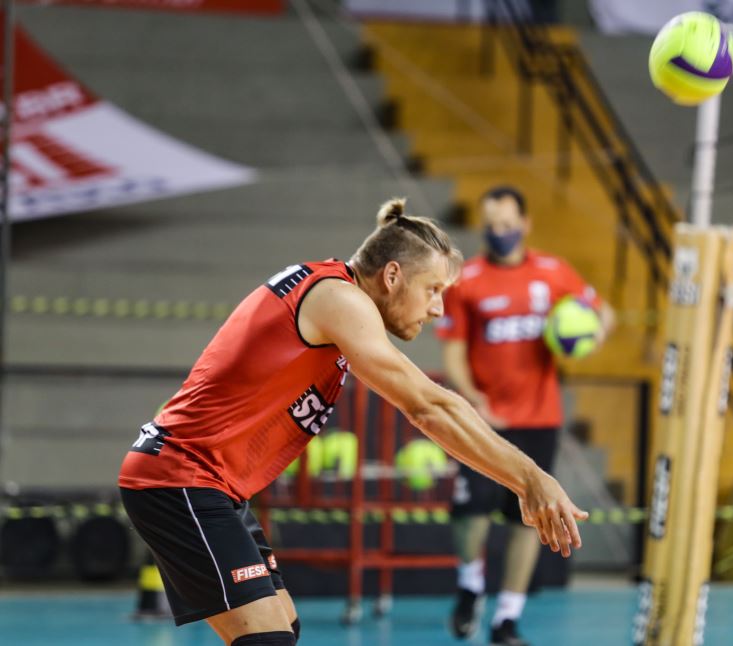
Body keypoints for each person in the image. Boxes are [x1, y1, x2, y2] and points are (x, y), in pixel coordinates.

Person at [118, 198, 589, 646]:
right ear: (391, 275)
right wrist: (529, 479)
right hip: (181, 477)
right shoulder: (338, 299)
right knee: (266, 638)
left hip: (213, 483)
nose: (438, 308)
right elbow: (427, 406)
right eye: (433, 290)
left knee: (283, 627)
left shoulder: (329, 290)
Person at [437, 186, 615, 646]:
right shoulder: (468, 279)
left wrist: (589, 339)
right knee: (470, 512)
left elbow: (604, 313)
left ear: (525, 223)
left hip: (539, 417)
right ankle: (470, 584)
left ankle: (507, 620)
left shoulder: (554, 273)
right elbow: (454, 349)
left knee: (528, 520)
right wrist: (474, 397)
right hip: (484, 418)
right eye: (491, 224)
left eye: (506, 223)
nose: (499, 232)